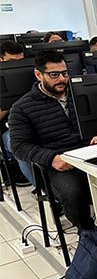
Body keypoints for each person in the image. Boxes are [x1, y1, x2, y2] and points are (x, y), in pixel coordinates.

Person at [9, 51, 97, 232]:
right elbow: (19, 147)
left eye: (65, 73)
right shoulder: (22, 108)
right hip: (58, 165)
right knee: (74, 193)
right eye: (54, 75)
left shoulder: (81, 94)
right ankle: (90, 235)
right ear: (38, 74)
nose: (62, 79)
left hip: (92, 154)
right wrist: (51, 158)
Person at [0, 41, 32, 187]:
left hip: (35, 119)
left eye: (20, 61)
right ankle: (47, 192)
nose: (16, 66)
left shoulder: (28, 73)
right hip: (8, 130)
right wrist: (12, 103)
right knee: (21, 147)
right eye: (12, 62)